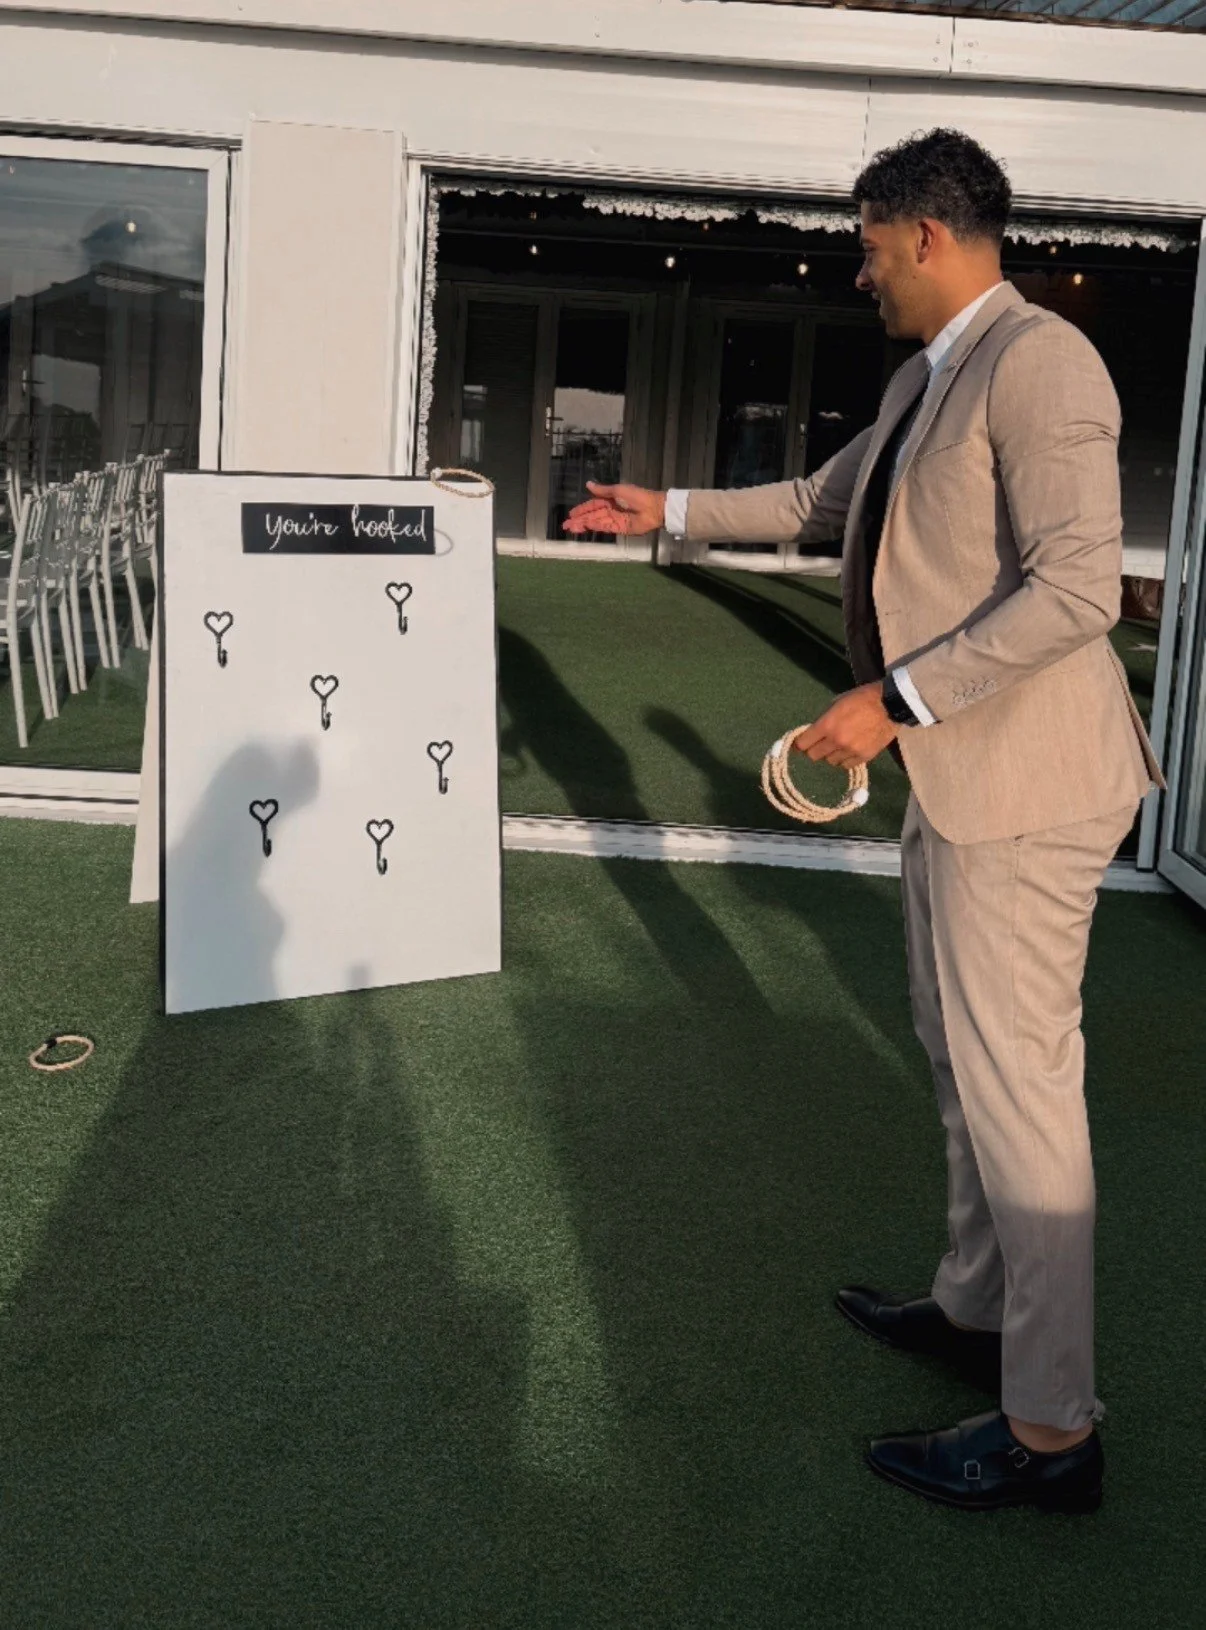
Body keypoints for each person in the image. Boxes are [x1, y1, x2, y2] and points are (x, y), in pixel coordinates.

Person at [562, 128, 1163, 1514]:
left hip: (1023, 783)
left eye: (866, 244)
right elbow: (817, 502)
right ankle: (971, 1311)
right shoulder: (922, 377)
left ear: (926, 235)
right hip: (962, 777)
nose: (856, 270)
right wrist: (667, 505)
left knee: (1017, 1087)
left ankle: (1052, 1430)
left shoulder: (1040, 362)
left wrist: (891, 700)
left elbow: (1078, 585)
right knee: (955, 1054)